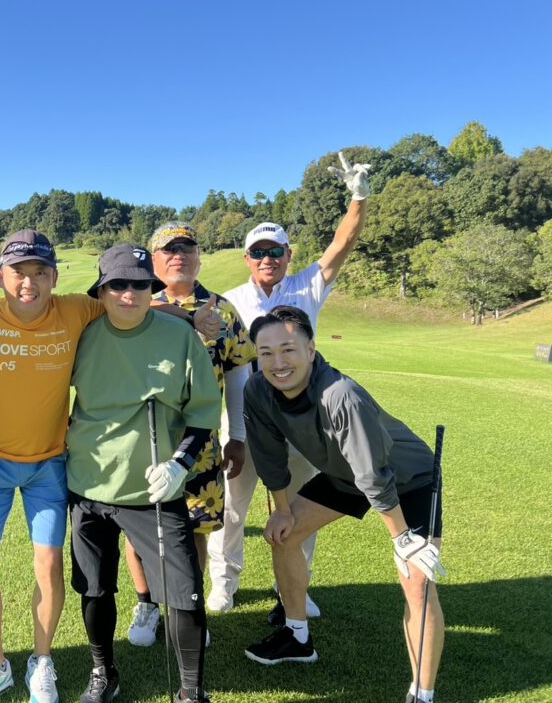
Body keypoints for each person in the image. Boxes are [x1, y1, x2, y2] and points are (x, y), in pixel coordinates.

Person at [241, 306, 445, 703]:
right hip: (346, 476)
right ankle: (296, 637)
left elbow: (374, 474)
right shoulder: (258, 390)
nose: (278, 363)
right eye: (266, 353)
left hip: (408, 478)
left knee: (417, 580)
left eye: (288, 350)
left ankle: (422, 694)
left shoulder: (340, 394)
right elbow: (269, 456)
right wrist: (282, 510)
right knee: (284, 535)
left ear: (311, 350)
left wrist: (402, 539)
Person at [208, 151, 372, 619]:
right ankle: (224, 582)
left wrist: (358, 198)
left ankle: (294, 588)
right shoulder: (230, 301)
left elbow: (342, 243)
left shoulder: (307, 286)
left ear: (288, 255)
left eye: (276, 251)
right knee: (233, 508)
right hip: (244, 418)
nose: (268, 259)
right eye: (259, 252)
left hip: (303, 420)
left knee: (300, 508)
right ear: (247, 258)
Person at [66, 244, 222, 703]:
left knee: (184, 592)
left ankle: (191, 691)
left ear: (152, 288)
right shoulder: (83, 336)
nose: (129, 294)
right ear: (101, 291)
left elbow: (203, 413)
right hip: (88, 486)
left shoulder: (180, 337)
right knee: (95, 588)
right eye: (118, 284)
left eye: (139, 284)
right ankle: (103, 671)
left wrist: (180, 464)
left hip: (156, 489)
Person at [0, 230, 104, 703]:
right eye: (19, 272)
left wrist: (191, 314)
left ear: (54, 277)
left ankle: (42, 661)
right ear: (1, 276)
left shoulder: (78, 309)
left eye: (40, 272)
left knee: (50, 563)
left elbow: (132, 304)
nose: (29, 283)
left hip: (48, 465)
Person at [123, 222, 255, 645]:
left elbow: (238, 375)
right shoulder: (135, 303)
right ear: (154, 260)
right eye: (168, 249)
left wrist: (238, 435)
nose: (178, 255)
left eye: (187, 247)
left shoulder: (223, 309)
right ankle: (147, 604)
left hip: (201, 443)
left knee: (195, 527)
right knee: (138, 527)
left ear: (199, 256)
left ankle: (187, 606)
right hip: (141, 440)